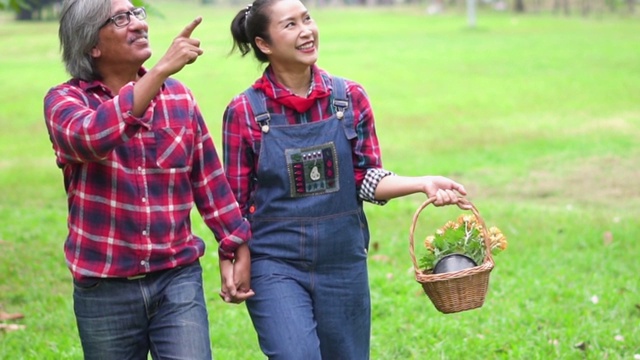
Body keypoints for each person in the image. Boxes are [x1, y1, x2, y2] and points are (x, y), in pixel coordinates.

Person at [222, 0, 470, 358]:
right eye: (290, 25)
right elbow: (236, 202)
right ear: (264, 44)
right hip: (275, 263)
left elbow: (366, 177)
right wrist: (232, 256)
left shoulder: (349, 98)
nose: (306, 31)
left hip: (343, 262)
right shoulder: (244, 111)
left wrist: (422, 183)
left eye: (307, 19)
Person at [44, 0, 253, 358]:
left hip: (177, 278)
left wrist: (236, 244)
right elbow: (91, 138)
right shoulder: (65, 102)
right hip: (104, 288)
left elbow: (209, 181)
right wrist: (159, 72)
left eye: (138, 13)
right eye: (122, 18)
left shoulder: (179, 98)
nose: (139, 24)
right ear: (91, 44)